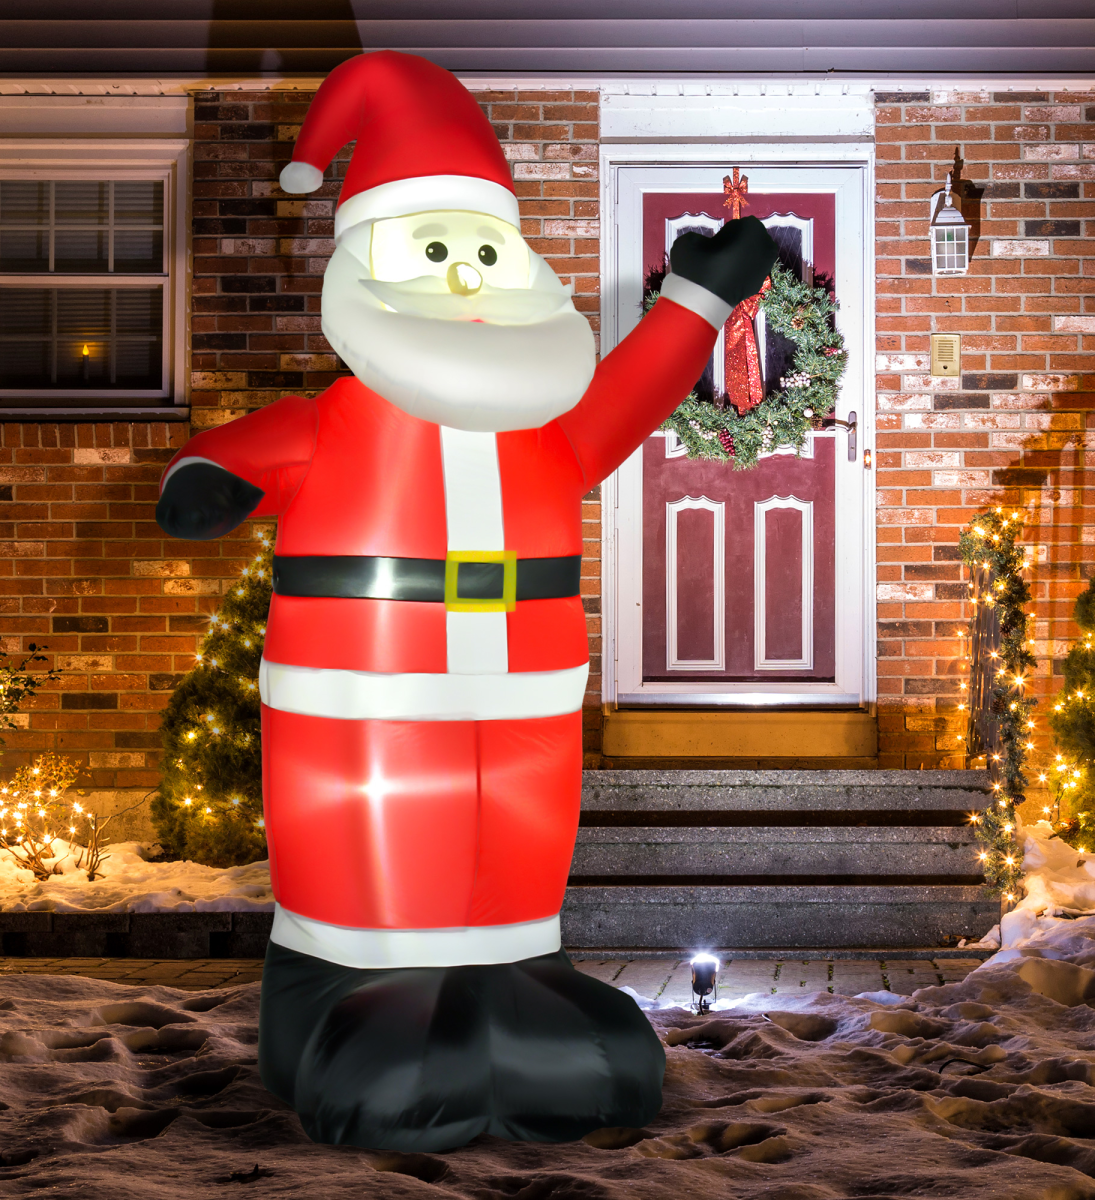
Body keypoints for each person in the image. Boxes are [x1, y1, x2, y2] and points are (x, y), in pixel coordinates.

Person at [156, 50, 777, 1152]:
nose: (460, 278)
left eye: (482, 252)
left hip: (527, 705)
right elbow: (252, 452)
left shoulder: (548, 430)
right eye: (432, 250)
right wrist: (212, 478)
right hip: (366, 704)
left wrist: (699, 297)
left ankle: (516, 977)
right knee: (385, 863)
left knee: (513, 863)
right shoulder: (339, 422)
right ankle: (349, 995)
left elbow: (626, 398)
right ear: (367, 268)